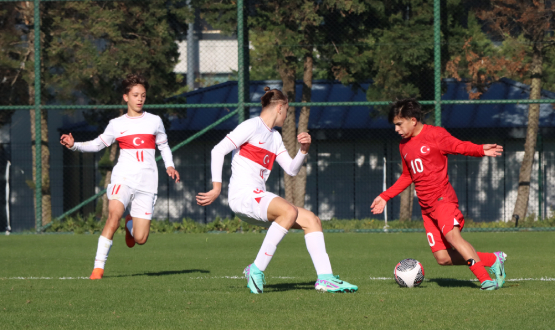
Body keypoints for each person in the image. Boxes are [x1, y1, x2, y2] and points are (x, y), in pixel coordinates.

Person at [196, 87, 357, 294]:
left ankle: (325, 278)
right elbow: (218, 150)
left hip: (257, 199)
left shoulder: (275, 137)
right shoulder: (252, 125)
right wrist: (216, 188)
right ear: (280, 107)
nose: (288, 115)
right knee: (288, 211)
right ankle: (256, 269)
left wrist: (303, 151)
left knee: (312, 220)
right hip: (244, 195)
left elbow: (291, 169)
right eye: (287, 111)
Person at [371, 98, 507, 290]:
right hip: (426, 209)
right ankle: (493, 259)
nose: (396, 129)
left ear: (413, 120)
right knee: (442, 258)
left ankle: (485, 279)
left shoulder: (435, 134)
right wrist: (385, 196)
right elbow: (407, 175)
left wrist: (479, 149)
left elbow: (458, 146)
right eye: (395, 125)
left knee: (453, 237)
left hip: (443, 200)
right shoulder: (404, 146)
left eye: (399, 124)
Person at [60, 73, 180, 280]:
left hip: (148, 182)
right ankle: (98, 269)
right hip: (123, 178)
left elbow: (163, 145)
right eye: (135, 95)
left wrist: (170, 165)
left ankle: (130, 224)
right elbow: (98, 144)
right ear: (126, 97)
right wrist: (74, 145)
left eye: (143, 95)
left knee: (141, 239)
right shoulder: (116, 124)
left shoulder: (155, 121)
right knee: (113, 216)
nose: (140, 99)